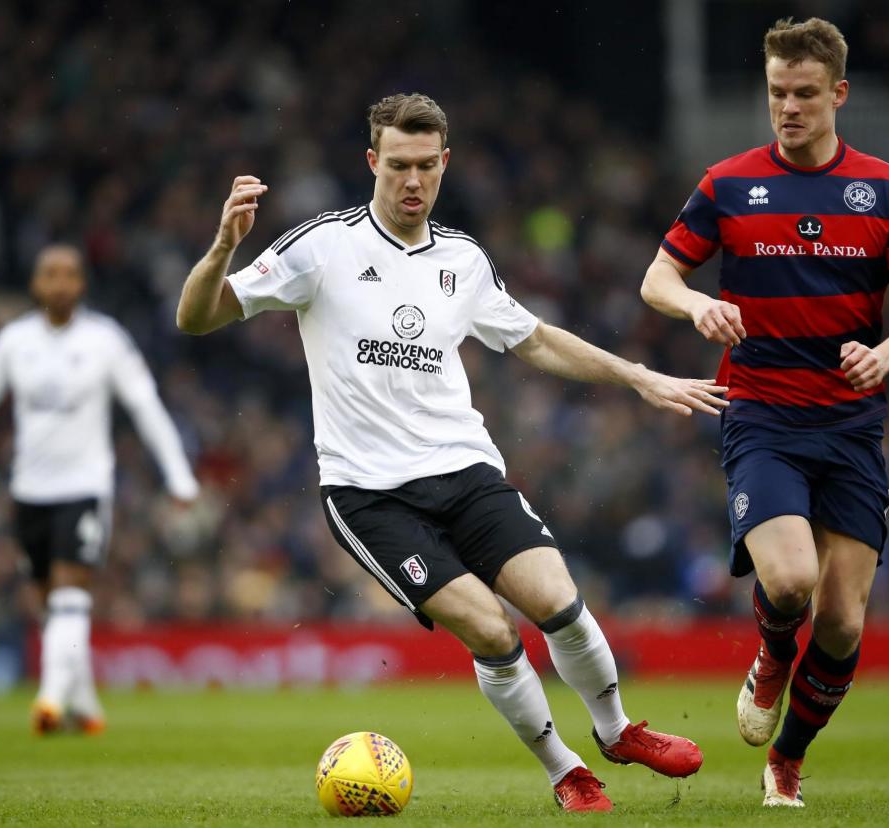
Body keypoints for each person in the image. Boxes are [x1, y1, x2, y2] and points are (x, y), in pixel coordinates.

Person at [177, 93, 717, 812]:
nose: (412, 181)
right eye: (397, 165)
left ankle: (616, 731)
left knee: (559, 602)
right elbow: (195, 318)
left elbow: (537, 339)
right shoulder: (322, 246)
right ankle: (565, 771)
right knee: (492, 628)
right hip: (369, 495)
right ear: (372, 162)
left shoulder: (461, 259)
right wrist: (222, 249)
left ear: (444, 164)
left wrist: (637, 375)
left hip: (465, 471)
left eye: (426, 166)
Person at [641, 18, 889, 808]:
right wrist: (696, 307)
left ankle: (787, 758)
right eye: (777, 93)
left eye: (805, 94)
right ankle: (773, 655)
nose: (788, 108)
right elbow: (657, 280)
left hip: (850, 426)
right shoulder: (729, 183)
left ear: (838, 93)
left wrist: (886, 355)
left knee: (842, 625)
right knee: (792, 579)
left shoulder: (888, 190)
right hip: (763, 418)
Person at [0, 244, 199, 735]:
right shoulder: (15, 341)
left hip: (85, 486)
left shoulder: (106, 340)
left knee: (69, 593)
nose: (59, 283)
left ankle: (51, 697)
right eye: (50, 275)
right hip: (29, 490)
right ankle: (84, 700)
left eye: (69, 275)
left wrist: (178, 474)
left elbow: (146, 406)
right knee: (49, 602)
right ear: (36, 285)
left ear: (81, 285)